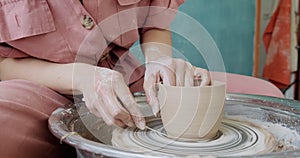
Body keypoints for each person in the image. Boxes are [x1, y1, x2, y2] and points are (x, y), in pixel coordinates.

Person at [0, 0, 210, 157]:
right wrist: (81, 77)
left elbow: (154, 18)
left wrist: (159, 59)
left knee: (218, 94)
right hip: (36, 85)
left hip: (124, 79)